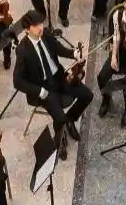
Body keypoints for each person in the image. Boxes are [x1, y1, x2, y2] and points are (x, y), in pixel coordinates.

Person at [12, 9, 93, 158]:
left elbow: (57, 48)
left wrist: (72, 53)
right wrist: (39, 91)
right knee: (59, 117)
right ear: (27, 29)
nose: (40, 28)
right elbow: (17, 82)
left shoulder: (46, 34)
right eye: (36, 25)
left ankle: (71, 119)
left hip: (59, 77)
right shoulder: (22, 50)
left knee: (87, 95)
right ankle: (59, 141)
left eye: (41, 23)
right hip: (43, 88)